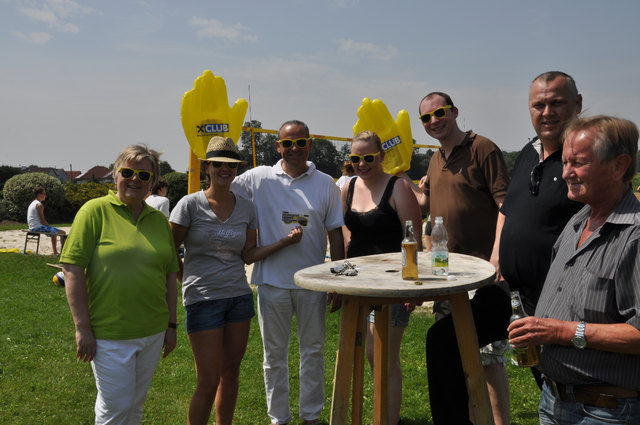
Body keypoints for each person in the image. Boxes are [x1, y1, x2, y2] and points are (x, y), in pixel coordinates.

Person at [508, 115, 640, 424]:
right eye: (565, 162)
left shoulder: (634, 235)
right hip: (555, 401)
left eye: (578, 163)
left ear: (620, 166)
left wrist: (560, 332)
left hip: (605, 411)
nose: (566, 173)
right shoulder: (579, 220)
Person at [170, 137, 303, 425]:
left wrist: (283, 243)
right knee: (207, 381)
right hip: (203, 301)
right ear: (207, 167)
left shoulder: (245, 207)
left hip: (238, 300)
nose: (225, 170)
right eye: (218, 164)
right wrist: (185, 279)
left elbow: (248, 255)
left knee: (231, 372)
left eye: (231, 165)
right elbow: (168, 251)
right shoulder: (189, 205)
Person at [402, 91, 511, 425]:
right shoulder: (435, 160)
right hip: (446, 275)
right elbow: (427, 206)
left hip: (482, 275)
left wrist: (496, 258)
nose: (434, 121)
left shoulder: (483, 148)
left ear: (454, 111)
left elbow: (507, 205)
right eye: (426, 118)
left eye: (440, 113)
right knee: (454, 358)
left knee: (488, 360)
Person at [231, 120, 345, 425]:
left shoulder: (325, 183)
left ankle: (311, 416)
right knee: (274, 357)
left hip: (312, 282)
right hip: (272, 281)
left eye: (300, 142)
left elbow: (335, 233)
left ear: (309, 145)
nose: (294, 149)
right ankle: (279, 418)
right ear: (277, 146)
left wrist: (335, 280)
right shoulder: (259, 177)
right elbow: (222, 184)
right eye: (287, 143)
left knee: (313, 351)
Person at [61, 144, 179, 425]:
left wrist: (171, 326)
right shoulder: (94, 211)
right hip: (109, 333)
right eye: (128, 172)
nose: (135, 179)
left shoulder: (159, 221)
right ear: (115, 176)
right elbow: (72, 269)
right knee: (116, 407)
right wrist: (83, 328)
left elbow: (170, 275)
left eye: (143, 175)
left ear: (153, 182)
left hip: (152, 330)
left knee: (135, 406)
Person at [490, 71, 584, 388]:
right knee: (446, 340)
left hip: (562, 306)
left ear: (578, 104)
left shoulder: (584, 160)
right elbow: (509, 207)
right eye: (538, 105)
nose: (547, 112)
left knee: (563, 386)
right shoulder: (529, 153)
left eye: (556, 103)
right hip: (517, 298)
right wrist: (496, 258)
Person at [342, 130, 423, 425]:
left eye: (368, 158)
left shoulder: (398, 187)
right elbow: (346, 232)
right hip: (357, 284)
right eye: (356, 158)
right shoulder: (348, 187)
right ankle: (383, 415)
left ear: (382, 156)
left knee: (382, 356)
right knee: (368, 355)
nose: (362, 164)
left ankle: (387, 420)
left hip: (391, 286)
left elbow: (413, 240)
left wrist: (412, 287)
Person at [27, 186, 66, 255]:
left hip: (32, 227)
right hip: (38, 227)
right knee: (63, 233)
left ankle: (55, 252)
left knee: (54, 232)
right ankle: (63, 253)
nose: (45, 195)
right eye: (44, 193)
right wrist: (49, 227)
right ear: (39, 195)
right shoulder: (39, 205)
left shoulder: (32, 203)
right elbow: (42, 220)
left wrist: (50, 228)